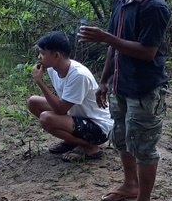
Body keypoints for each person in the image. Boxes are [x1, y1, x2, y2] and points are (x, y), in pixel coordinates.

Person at [78, 0, 170, 201]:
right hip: (120, 85)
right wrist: (104, 80)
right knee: (121, 137)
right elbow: (114, 45)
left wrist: (107, 38)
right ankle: (130, 185)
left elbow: (147, 51)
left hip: (144, 88)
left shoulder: (154, 7)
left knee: (143, 144)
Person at [27, 31, 113, 162]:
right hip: (78, 116)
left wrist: (39, 81)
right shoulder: (53, 68)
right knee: (33, 102)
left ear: (56, 55)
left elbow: (60, 110)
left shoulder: (78, 75)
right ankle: (72, 141)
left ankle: (90, 147)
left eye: (43, 53)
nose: (39, 57)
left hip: (98, 127)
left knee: (46, 118)